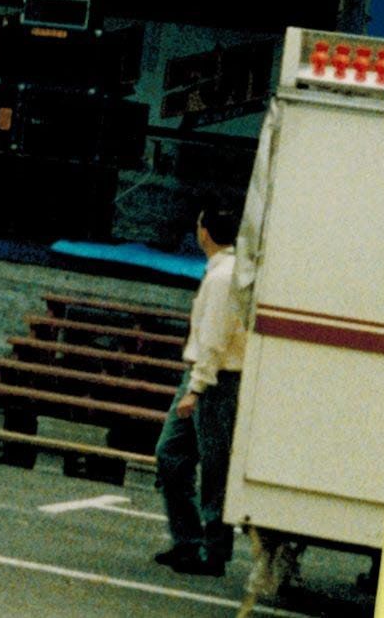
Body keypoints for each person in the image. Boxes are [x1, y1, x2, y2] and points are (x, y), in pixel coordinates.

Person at [154, 201, 247, 576]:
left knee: (213, 464)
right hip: (206, 375)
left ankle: (212, 549)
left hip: (214, 379)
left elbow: (213, 339)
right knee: (173, 454)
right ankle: (189, 540)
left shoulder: (223, 278)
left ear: (204, 233)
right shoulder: (224, 272)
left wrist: (196, 387)